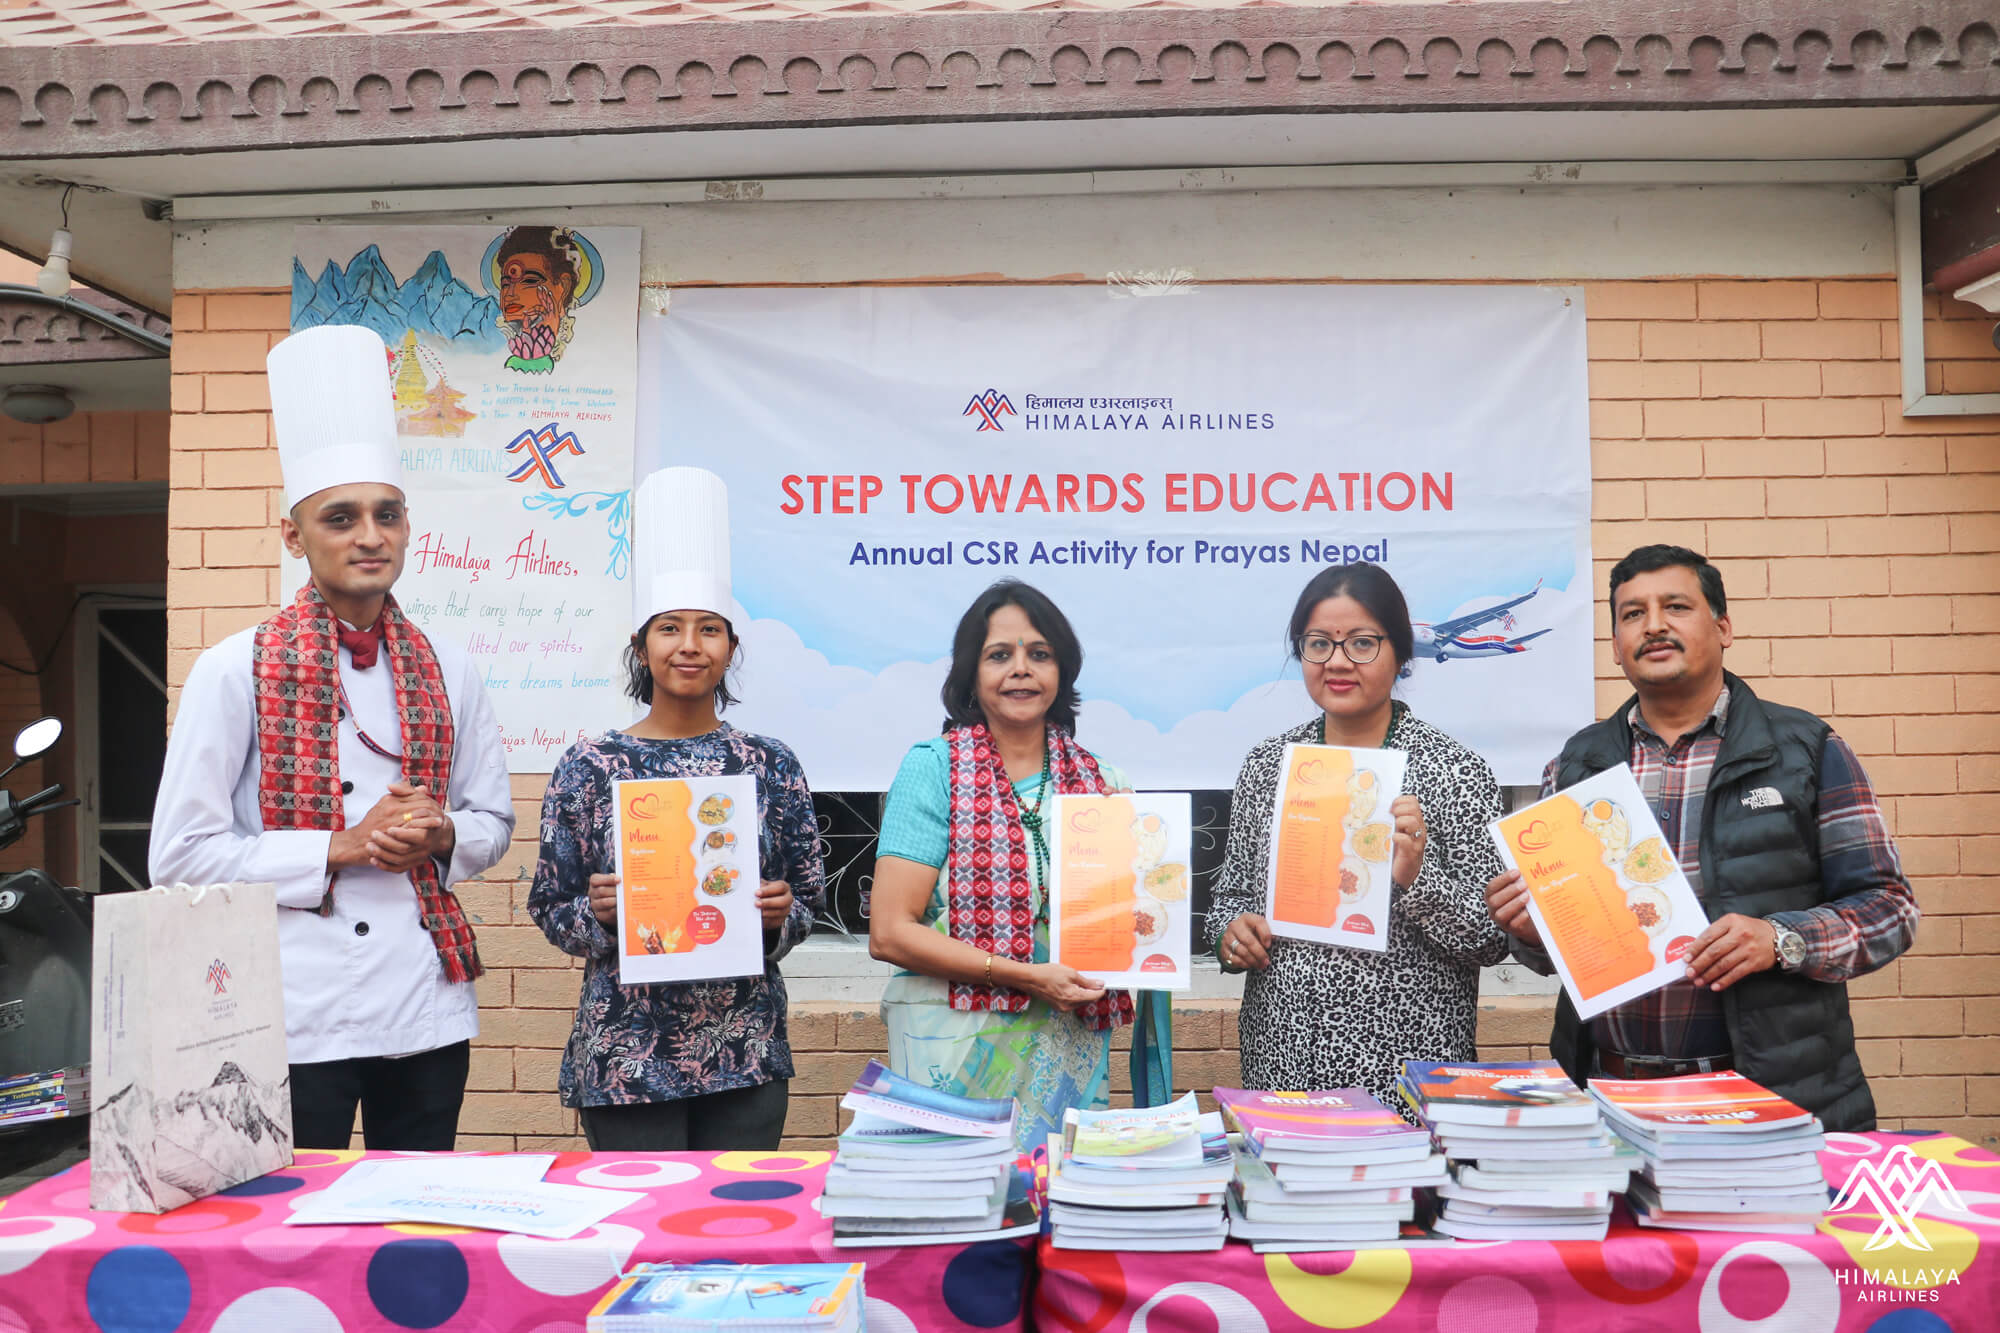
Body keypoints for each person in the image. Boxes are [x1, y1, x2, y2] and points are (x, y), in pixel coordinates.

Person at [150, 324, 515, 1150]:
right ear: (295, 535)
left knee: (412, 1209)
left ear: (408, 526)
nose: (369, 536)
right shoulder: (233, 668)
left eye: (387, 515)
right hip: (288, 1008)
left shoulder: (451, 666)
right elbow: (178, 855)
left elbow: (492, 822)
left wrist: (443, 832)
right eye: (340, 517)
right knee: (281, 1212)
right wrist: (340, 847)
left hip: (424, 1004)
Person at [1485, 544, 1918, 1132]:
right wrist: (1532, 931)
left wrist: (1782, 938)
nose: (1653, 625)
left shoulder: (1806, 750)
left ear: (1723, 627)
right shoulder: (1575, 766)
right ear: (1615, 645)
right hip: (1609, 1100)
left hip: (1769, 1098)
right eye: (1632, 613)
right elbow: (1549, 958)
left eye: (1676, 606)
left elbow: (1891, 909)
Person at [528, 467, 823, 1150]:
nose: (690, 644)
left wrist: (779, 915)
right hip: (625, 1055)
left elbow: (808, 900)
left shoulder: (769, 763)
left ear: (731, 647)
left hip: (745, 1050)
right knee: (639, 1213)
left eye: (709, 629)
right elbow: (550, 907)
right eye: (669, 628)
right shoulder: (589, 765)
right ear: (642, 646)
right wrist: (599, 913)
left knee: (732, 1214)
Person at [868, 580, 1169, 1152]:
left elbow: (1135, 927)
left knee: (1057, 1193)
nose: (1021, 670)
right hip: (953, 1047)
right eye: (999, 655)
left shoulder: (1105, 784)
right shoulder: (932, 770)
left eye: (1040, 654)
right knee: (957, 1197)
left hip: (1067, 1049)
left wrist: (1146, 897)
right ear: (970, 674)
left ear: (1062, 671)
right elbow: (889, 932)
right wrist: (1026, 977)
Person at [1208, 563, 1510, 1109]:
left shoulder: (1455, 770)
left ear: (1401, 653)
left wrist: (1418, 878)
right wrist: (1233, 936)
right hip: (1285, 1067)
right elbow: (1230, 900)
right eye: (1318, 643)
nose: (1339, 661)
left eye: (1363, 643)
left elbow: (1491, 941)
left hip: (1406, 1075)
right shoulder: (1269, 767)